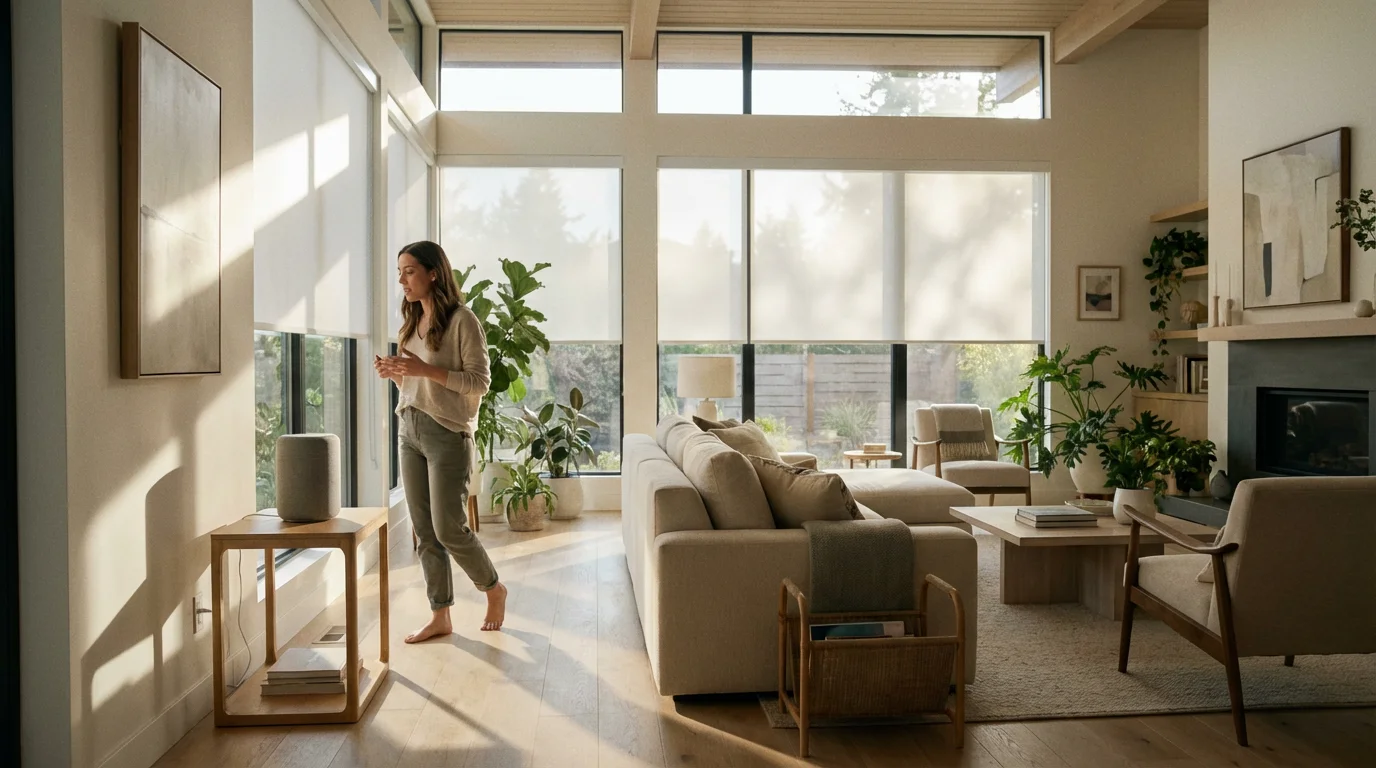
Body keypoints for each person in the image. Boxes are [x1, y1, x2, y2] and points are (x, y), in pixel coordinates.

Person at [375, 240, 507, 642]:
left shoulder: (463, 321)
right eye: (399, 272)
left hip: (447, 433)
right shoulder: (411, 322)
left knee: (449, 528)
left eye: (409, 271)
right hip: (408, 427)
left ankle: (493, 588)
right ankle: (440, 615)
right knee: (423, 530)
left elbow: (480, 383)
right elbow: (415, 384)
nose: (402, 280)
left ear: (434, 273)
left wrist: (424, 370)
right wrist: (397, 373)